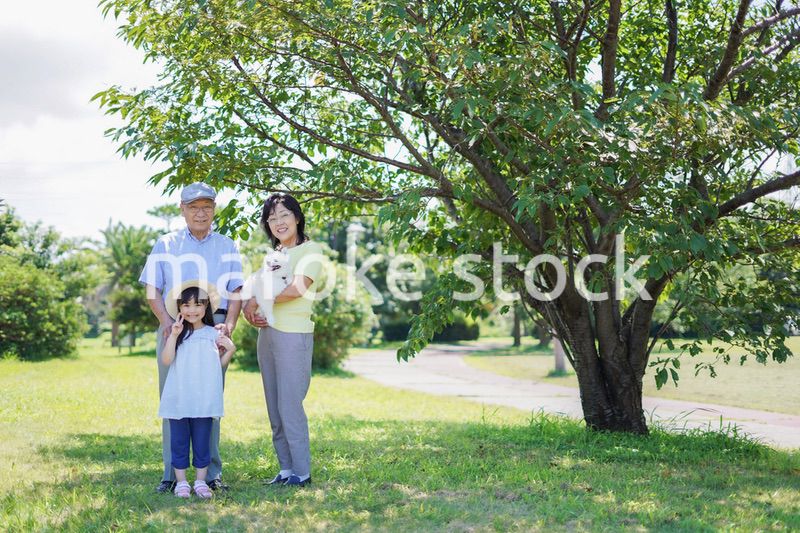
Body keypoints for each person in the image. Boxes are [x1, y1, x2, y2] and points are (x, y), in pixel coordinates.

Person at [140, 182, 244, 493]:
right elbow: (151, 290)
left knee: (209, 401)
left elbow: (236, 290)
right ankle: (172, 476)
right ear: (182, 209)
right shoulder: (166, 244)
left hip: (214, 331)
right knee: (174, 401)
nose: (201, 212)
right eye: (193, 207)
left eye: (207, 206)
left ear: (214, 209)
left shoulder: (227, 245)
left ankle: (210, 474)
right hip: (175, 330)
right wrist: (169, 323)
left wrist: (230, 325)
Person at [243, 193, 324, 487]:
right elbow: (256, 291)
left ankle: (302, 472)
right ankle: (286, 469)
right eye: (272, 217)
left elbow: (296, 289)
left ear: (297, 217)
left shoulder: (312, 251)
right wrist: (250, 308)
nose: (278, 222)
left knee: (290, 405)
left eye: (284, 215)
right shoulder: (274, 255)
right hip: (268, 335)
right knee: (274, 407)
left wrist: (259, 301)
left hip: (294, 335)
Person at [158, 284, 235, 498]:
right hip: (180, 397)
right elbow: (166, 360)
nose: (192, 310)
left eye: (198, 304)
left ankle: (200, 482)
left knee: (203, 440)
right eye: (186, 305)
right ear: (179, 308)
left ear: (207, 306)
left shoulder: (213, 334)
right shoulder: (177, 333)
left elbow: (216, 366)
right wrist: (173, 335)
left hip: (204, 398)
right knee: (179, 441)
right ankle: (181, 482)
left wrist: (230, 350)